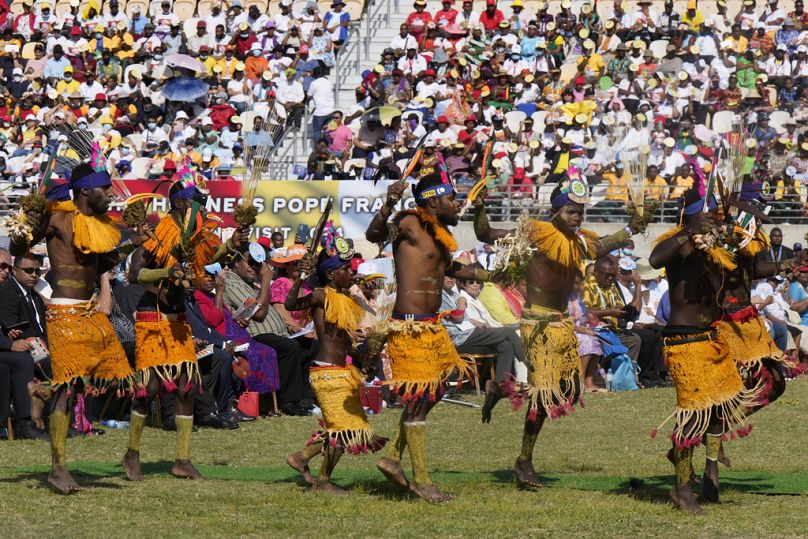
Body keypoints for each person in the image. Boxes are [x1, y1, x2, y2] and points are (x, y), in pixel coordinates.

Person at [472, 171, 644, 489]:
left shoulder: (578, 243)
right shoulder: (535, 235)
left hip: (563, 325)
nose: (577, 217)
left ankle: (503, 388)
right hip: (538, 327)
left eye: (581, 211)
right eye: (571, 211)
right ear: (557, 210)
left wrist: (632, 227)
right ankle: (524, 461)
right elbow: (486, 234)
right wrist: (479, 208)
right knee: (545, 397)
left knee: (568, 392)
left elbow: (601, 245)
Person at [9, 161, 138, 493]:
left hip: (91, 311)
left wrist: (133, 242)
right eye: (104, 188)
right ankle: (57, 467)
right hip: (64, 311)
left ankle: (42, 388)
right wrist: (27, 221)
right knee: (68, 388)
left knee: (111, 378)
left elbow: (105, 264)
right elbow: (17, 248)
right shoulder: (57, 218)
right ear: (85, 191)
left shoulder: (99, 224)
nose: (110, 194)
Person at [365, 177, 487, 502]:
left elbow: (455, 269)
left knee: (435, 392)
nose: (457, 203)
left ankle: (392, 457)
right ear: (433, 201)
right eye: (452, 198)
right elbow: (373, 235)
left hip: (432, 327)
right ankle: (421, 480)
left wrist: (499, 274)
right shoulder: (409, 222)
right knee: (419, 402)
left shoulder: (439, 236)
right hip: (409, 328)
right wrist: (389, 204)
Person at [123, 171, 248, 481]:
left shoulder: (190, 239)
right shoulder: (156, 237)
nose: (203, 210)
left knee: (188, 386)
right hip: (152, 317)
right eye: (198, 204)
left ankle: (182, 459)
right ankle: (132, 452)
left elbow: (203, 261)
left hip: (178, 317)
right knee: (149, 387)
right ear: (180, 205)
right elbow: (135, 275)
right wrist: (167, 272)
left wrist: (230, 244)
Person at [649, 188, 765, 514]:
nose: (713, 224)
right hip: (684, 343)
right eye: (708, 219)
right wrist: (688, 229)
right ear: (693, 221)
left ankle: (709, 470)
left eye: (714, 219)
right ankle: (681, 488)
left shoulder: (716, 253)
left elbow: (750, 269)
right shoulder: (682, 250)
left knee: (716, 410)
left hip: (712, 339)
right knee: (693, 414)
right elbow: (655, 258)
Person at [285, 235, 386, 493]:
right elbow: (291, 304)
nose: (351, 274)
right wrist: (300, 277)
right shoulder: (320, 295)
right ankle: (323, 482)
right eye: (345, 269)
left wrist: (364, 357)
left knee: (350, 427)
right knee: (343, 429)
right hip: (327, 373)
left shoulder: (346, 300)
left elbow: (343, 341)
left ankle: (302, 458)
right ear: (330, 274)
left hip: (342, 371)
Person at [0, 250, 48, 439]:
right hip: (11, 350)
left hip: (12, 347)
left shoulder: (33, 295)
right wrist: (9, 343)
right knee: (24, 360)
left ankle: (60, 419)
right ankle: (25, 422)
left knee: (63, 360)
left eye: (7, 266)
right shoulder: (7, 293)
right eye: (29, 270)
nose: (34, 275)